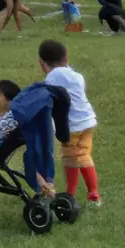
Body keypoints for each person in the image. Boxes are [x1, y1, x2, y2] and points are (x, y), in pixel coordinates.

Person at [38, 40, 100, 207]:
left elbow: (50, 100)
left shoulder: (52, 76)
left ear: (41, 63)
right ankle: (90, 194)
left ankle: (71, 195)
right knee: (84, 155)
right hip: (88, 121)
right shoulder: (77, 75)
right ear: (66, 58)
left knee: (71, 159)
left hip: (72, 126)